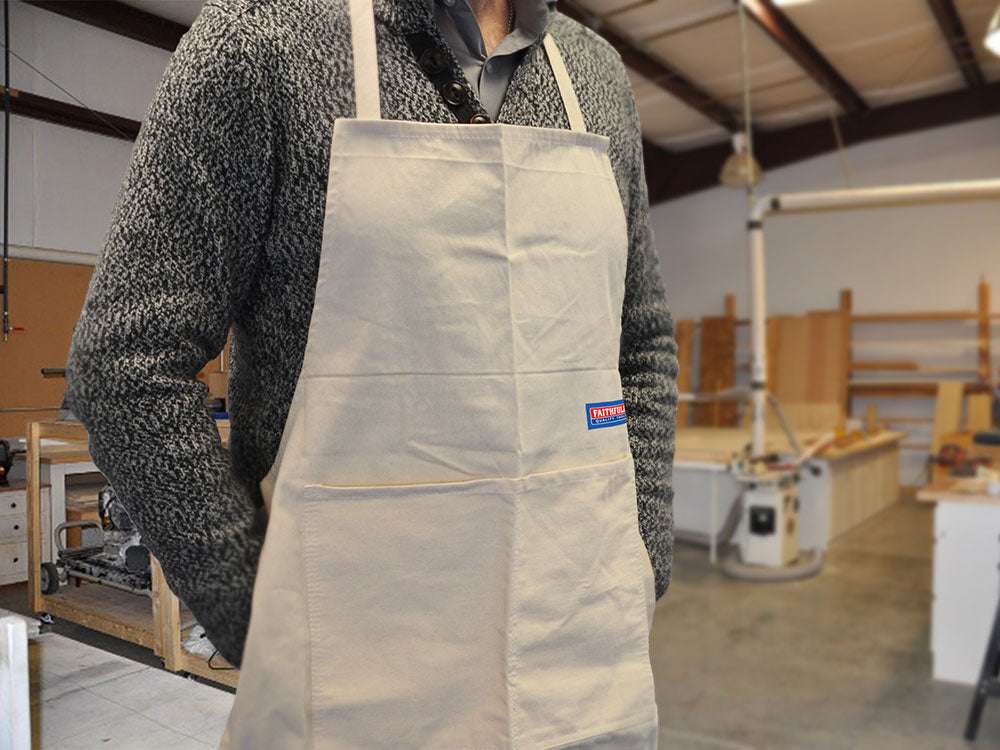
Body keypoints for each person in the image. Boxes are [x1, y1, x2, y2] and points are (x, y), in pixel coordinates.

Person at [65, 0, 679, 746]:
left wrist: (641, 553)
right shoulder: (263, 40)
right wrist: (258, 612)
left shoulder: (594, 73)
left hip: (579, 653)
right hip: (352, 673)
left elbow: (639, 342)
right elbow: (125, 365)